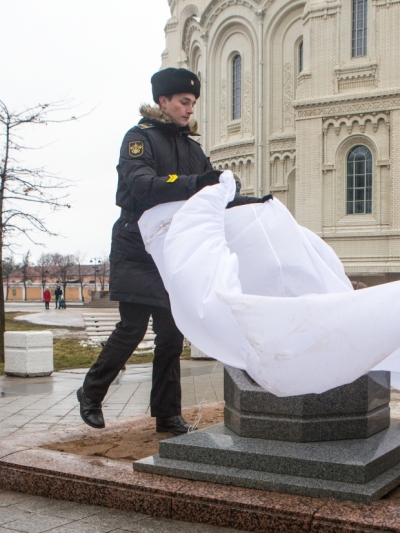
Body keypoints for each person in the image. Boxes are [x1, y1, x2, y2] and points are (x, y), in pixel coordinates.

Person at [77, 67, 269, 436]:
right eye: (184, 101)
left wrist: (250, 203)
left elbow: (212, 198)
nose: (189, 109)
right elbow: (142, 185)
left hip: (173, 251)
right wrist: (197, 182)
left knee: (170, 333)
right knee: (133, 327)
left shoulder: (193, 150)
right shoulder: (139, 138)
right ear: (163, 101)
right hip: (136, 247)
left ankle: (167, 414)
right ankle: (91, 391)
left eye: (193, 103)